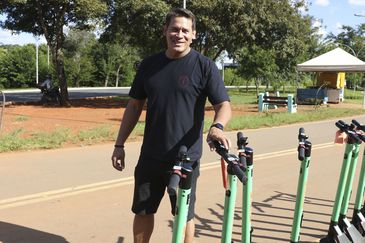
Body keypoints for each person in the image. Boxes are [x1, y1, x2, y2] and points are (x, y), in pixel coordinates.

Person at [111, 8, 232, 243]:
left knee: (184, 214)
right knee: (143, 210)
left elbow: (224, 105)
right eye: (174, 29)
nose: (179, 35)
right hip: (151, 156)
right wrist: (119, 144)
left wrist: (218, 126)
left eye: (185, 30)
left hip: (185, 158)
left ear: (194, 34)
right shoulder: (149, 65)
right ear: (165, 31)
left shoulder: (205, 66)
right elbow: (134, 106)